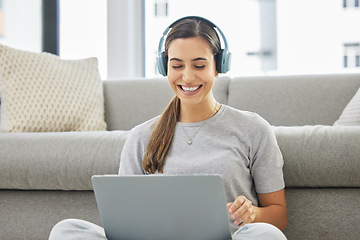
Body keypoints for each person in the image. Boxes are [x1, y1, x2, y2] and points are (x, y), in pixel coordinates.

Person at [49, 16, 287, 240]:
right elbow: (125, 219)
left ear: (218, 66)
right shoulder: (142, 136)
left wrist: (252, 215)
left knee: (268, 236)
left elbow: (278, 215)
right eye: (177, 65)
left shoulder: (253, 129)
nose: (187, 77)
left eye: (199, 65)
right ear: (165, 68)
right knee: (67, 230)